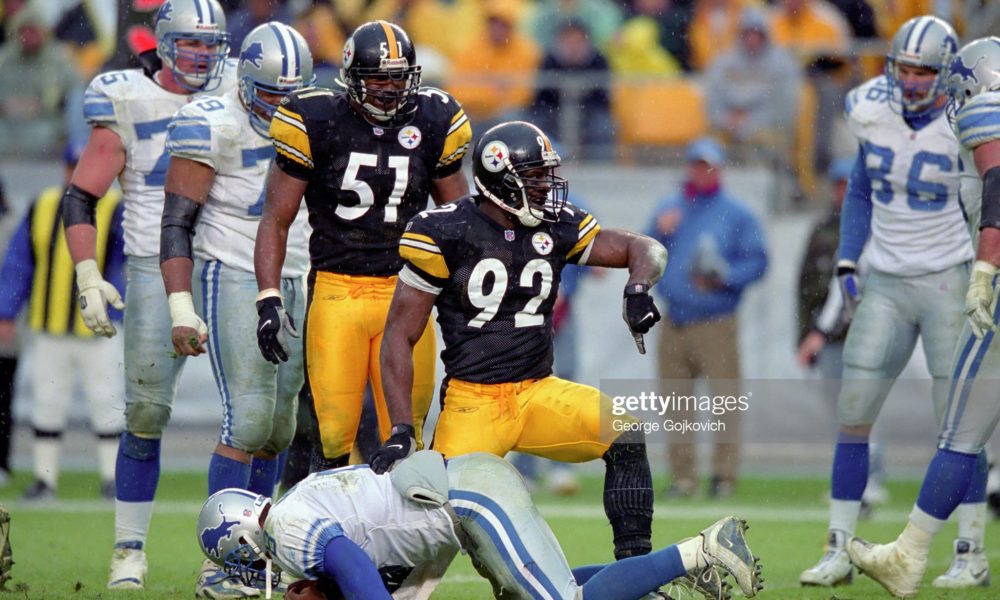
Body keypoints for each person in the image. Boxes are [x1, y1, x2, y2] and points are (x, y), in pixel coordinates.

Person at [369, 120, 665, 568]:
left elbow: (645, 249)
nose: (547, 187)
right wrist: (401, 429)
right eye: (535, 178)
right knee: (428, 528)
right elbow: (399, 335)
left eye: (547, 176)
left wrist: (638, 288)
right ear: (500, 180)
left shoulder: (556, 224)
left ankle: (634, 572)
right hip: (474, 402)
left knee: (625, 434)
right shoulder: (445, 231)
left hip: (538, 391)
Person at [798, 16, 986, 589]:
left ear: (945, 73)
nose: (910, 80)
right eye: (904, 67)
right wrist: (850, 256)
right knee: (853, 416)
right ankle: (838, 547)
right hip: (885, 279)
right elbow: (860, 187)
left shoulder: (966, 117)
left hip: (948, 279)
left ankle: (969, 550)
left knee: (961, 428)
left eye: (924, 71)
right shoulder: (871, 109)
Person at [61, 0, 234, 589]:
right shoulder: (126, 96)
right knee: (145, 413)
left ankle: (233, 553)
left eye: (213, 45)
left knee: (261, 421)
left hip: (230, 261)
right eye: (192, 44)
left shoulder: (243, 87)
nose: (204, 57)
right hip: (154, 265)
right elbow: (81, 194)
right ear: (162, 42)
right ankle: (128, 550)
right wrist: (87, 272)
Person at [255, 20, 472, 471]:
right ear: (353, 77)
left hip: (408, 290)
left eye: (399, 77)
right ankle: (325, 533)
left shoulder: (432, 121)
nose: (390, 89)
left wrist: (463, 294)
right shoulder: (318, 120)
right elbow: (276, 219)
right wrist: (269, 297)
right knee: (334, 435)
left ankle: (397, 537)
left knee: (404, 433)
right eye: (378, 78)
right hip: (338, 290)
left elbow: (462, 220)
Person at [159, 21, 311, 597]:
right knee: (246, 420)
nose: (284, 106)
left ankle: (257, 549)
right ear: (246, 82)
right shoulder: (211, 122)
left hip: (297, 275)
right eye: (273, 94)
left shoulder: (312, 121)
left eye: (292, 95)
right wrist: (180, 303)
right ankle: (219, 560)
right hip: (235, 271)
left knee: (278, 429)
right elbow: (178, 221)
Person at [846, 36, 1000, 598]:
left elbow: (998, 184)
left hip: (998, 284)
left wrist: (984, 269)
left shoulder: (988, 107)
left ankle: (908, 555)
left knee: (960, 430)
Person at [197, 451, 764, 600]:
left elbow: (348, 562)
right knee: (542, 589)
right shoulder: (298, 501)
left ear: (242, 537)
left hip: (471, 501)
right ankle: (655, 586)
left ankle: (701, 551)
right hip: (465, 502)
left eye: (235, 557)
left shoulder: (288, 528)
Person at [0, 142, 124, 501]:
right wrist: (6, 312)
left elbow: (124, 262)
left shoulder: (115, 207)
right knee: (47, 402)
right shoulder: (44, 205)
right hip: (50, 326)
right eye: (73, 166)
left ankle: (110, 478)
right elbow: (19, 263)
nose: (76, 174)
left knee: (107, 401)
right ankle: (45, 478)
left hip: (100, 329)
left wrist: (118, 304)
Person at [646, 137, 768, 500]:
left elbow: (758, 261)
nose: (701, 172)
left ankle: (723, 476)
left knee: (724, 401)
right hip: (674, 321)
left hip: (716, 321)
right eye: (696, 165)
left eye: (708, 165)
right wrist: (658, 234)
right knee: (676, 404)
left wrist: (725, 277)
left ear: (720, 169)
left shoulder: (737, 214)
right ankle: (684, 478)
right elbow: (643, 254)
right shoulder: (670, 209)